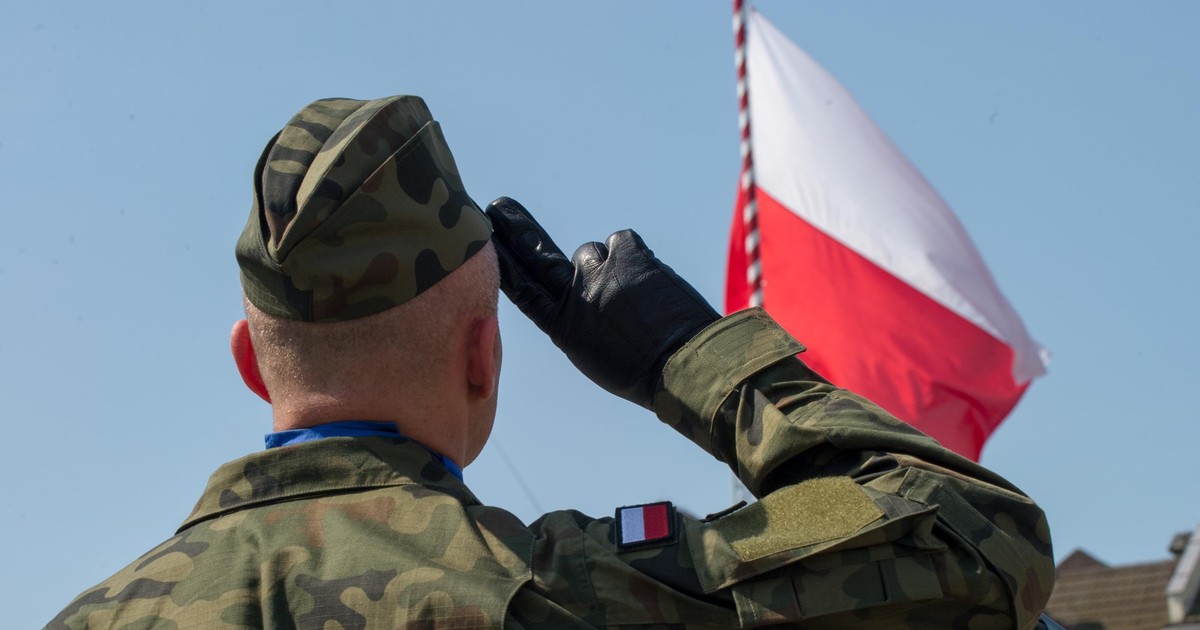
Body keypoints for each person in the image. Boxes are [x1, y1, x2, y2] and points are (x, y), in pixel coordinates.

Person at [49, 95, 1054, 629]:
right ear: (484, 355)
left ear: (250, 362)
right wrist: (690, 356)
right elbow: (982, 546)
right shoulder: (552, 596)